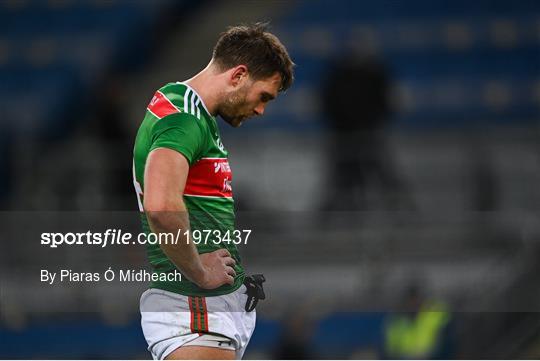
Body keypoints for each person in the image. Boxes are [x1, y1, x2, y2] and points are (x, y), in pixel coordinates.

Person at [133, 23, 294, 360]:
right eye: (263, 96)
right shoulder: (184, 118)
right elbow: (161, 207)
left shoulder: (191, 112)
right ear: (238, 76)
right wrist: (200, 272)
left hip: (205, 309)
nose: (262, 109)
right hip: (194, 307)